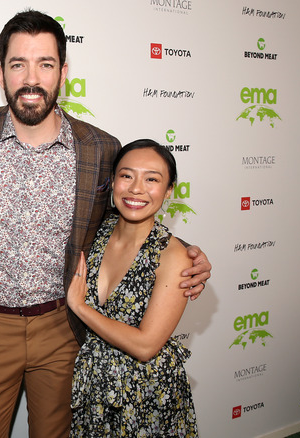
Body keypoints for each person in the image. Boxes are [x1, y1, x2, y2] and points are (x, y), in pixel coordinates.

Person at [0, 10, 211, 438]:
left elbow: (128, 220)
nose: (31, 78)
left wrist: (185, 256)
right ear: (1, 72)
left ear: (63, 72)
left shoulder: (99, 148)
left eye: (45, 64)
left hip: (64, 327)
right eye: (17, 64)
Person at [67, 139, 197, 436]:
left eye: (152, 179)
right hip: (95, 388)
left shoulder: (173, 256)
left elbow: (145, 345)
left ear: (169, 191)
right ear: (112, 182)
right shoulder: (97, 232)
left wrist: (80, 308)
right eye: (127, 175)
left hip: (145, 394)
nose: (137, 188)